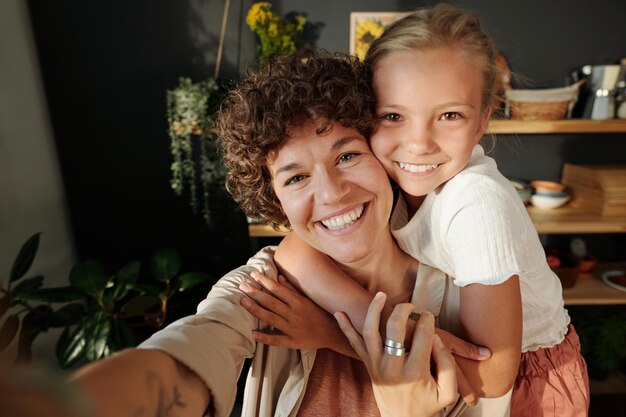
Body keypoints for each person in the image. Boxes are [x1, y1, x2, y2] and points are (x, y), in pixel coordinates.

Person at [56, 49, 483, 417]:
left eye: (348, 155)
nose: (332, 194)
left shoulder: (465, 291)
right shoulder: (267, 292)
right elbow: (185, 356)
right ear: (275, 202)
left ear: (384, 156)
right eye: (295, 179)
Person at [243, 4, 589, 417]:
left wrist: (335, 334)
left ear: (482, 121)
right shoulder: (394, 176)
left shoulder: (477, 206)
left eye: (449, 115)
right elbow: (295, 251)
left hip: (530, 382)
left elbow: (492, 375)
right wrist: (375, 322)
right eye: (393, 116)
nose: (418, 143)